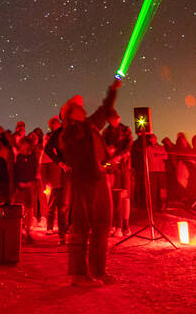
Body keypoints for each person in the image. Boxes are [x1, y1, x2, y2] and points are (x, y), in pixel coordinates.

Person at [60, 76, 121, 286]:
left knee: (102, 226)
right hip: (83, 183)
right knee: (81, 227)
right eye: (78, 107)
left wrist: (113, 89)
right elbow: (74, 155)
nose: (83, 108)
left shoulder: (89, 126)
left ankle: (99, 270)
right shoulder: (69, 133)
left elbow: (105, 109)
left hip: (99, 179)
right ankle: (78, 275)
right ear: (70, 114)